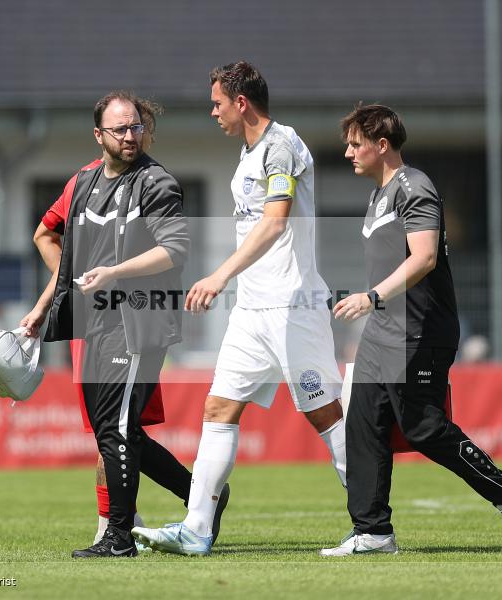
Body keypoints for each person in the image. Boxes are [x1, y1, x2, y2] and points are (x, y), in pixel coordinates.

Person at [132, 61, 347, 556]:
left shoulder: (280, 145)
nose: (213, 112)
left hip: (293, 306)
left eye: (217, 103)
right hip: (252, 312)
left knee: (326, 416)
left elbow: (274, 223)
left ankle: (373, 524)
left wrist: (218, 275)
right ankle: (197, 529)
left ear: (241, 102)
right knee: (219, 408)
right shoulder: (250, 152)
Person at [321, 103, 502, 556]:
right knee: (362, 425)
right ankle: (373, 532)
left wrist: (371, 297)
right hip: (384, 333)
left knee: (423, 428)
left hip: (420, 332)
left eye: (355, 144)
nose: (348, 152)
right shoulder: (379, 194)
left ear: (382, 146)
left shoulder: (414, 186)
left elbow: (423, 258)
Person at [21, 91, 213, 558]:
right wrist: (47, 302)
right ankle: (201, 496)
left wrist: (114, 273)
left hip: (140, 318)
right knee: (114, 427)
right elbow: (59, 247)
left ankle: (118, 535)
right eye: (120, 129)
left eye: (136, 127)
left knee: (119, 427)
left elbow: (175, 249)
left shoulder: (157, 182)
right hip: (95, 322)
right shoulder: (84, 182)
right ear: (98, 135)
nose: (131, 136)